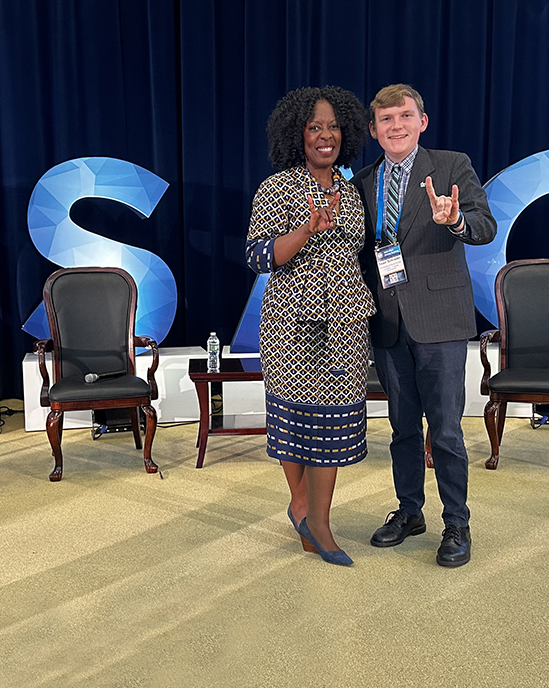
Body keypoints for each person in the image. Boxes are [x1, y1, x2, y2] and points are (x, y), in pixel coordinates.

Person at [352, 84, 497, 567]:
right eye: (386, 119)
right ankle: (410, 511)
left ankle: (456, 522)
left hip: (440, 320)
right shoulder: (362, 180)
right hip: (388, 324)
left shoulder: (452, 165)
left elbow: (484, 225)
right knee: (401, 428)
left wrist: (456, 220)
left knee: (447, 431)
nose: (396, 126)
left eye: (405, 116)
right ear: (374, 130)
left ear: (422, 121)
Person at [245, 86, 376, 567]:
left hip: (345, 323)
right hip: (291, 324)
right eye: (314, 127)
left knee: (334, 425)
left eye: (333, 127)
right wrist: (304, 230)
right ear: (297, 134)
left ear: (347, 132)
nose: (326, 136)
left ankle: (314, 517)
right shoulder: (275, 189)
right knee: (296, 422)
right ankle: (306, 511)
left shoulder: (355, 189)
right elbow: (258, 256)